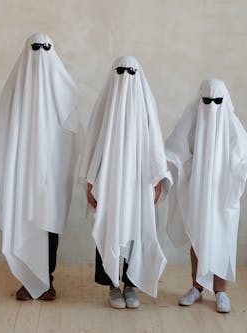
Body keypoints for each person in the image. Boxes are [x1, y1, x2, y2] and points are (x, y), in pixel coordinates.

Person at [0, 32, 81, 301]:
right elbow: (6, 130)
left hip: (53, 171)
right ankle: (27, 279)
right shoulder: (15, 89)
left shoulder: (64, 91)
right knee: (23, 219)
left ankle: (46, 280)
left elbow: (70, 135)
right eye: (34, 48)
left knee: (48, 221)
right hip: (22, 171)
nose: (39, 53)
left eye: (44, 48)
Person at [79, 56, 172, 309]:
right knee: (109, 225)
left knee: (135, 230)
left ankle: (131, 285)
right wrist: (90, 182)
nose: (125, 76)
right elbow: (91, 145)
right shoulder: (104, 106)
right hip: (108, 182)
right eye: (120, 71)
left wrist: (158, 180)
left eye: (131, 71)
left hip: (138, 181)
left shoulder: (145, 105)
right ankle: (112, 285)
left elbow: (155, 143)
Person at [165, 79, 247, 313]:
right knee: (197, 235)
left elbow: (245, 154)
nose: (211, 106)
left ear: (224, 101)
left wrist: (237, 171)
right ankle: (196, 287)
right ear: (200, 100)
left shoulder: (230, 122)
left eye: (217, 101)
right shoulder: (193, 116)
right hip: (198, 187)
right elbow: (176, 147)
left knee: (223, 237)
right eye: (206, 101)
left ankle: (221, 291)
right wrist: (189, 170)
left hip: (222, 191)